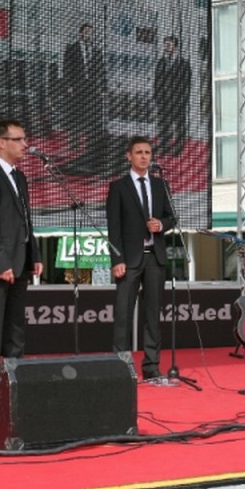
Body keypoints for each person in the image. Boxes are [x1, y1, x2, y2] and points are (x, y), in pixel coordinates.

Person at [0, 119, 43, 384]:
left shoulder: (19, 177)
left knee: (16, 326)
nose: (25, 144)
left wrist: (34, 254)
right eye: (19, 139)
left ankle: (15, 379)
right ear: (2, 143)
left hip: (21, 261)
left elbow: (25, 220)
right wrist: (2, 263)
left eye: (25, 139)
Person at [107, 136, 174, 381]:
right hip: (129, 259)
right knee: (123, 315)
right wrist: (117, 260)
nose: (144, 156)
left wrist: (161, 224)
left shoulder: (160, 184)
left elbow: (171, 216)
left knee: (153, 315)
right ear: (129, 156)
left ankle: (151, 366)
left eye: (147, 152)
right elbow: (114, 227)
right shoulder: (118, 187)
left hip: (155, 257)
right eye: (139, 152)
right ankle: (121, 367)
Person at [63, 23, 106, 155]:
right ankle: (73, 143)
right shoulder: (72, 48)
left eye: (90, 32)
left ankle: (89, 145)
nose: (88, 34)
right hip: (77, 86)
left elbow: (102, 70)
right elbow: (67, 68)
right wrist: (68, 85)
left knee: (90, 116)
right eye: (86, 31)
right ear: (80, 33)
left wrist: (103, 88)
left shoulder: (96, 51)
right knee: (75, 114)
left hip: (92, 87)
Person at [153, 36, 192, 157]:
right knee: (164, 125)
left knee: (179, 126)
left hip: (178, 101)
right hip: (164, 101)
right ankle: (164, 147)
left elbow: (186, 85)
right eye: (165, 45)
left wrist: (183, 100)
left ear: (175, 47)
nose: (166, 47)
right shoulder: (161, 63)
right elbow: (157, 82)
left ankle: (178, 149)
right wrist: (157, 98)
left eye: (169, 45)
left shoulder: (183, 64)